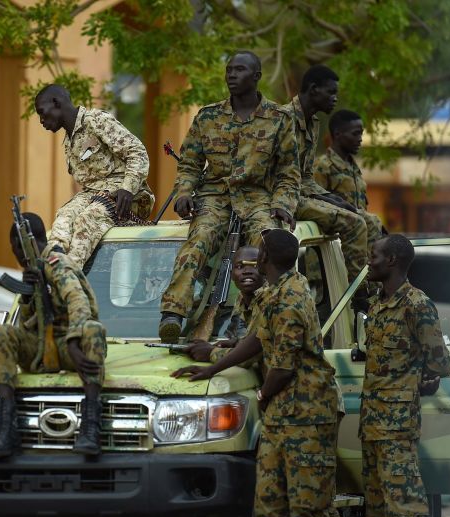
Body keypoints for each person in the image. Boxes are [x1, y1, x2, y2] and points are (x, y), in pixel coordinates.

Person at [173, 229, 338, 517]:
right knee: (270, 504)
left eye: (257, 253)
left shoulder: (292, 296)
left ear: (266, 257)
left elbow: (281, 364)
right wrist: (214, 363)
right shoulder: (275, 294)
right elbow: (255, 341)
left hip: (305, 412)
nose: (251, 261)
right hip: (284, 416)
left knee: (305, 509)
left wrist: (261, 394)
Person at [157, 51, 300, 343]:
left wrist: (283, 204)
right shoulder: (208, 116)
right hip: (214, 196)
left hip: (257, 196)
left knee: (267, 245)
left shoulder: (279, 118)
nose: (232, 75)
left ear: (257, 76)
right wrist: (184, 191)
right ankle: (173, 313)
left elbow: (288, 171)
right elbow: (190, 163)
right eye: (229, 70)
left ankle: (246, 319)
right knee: (198, 241)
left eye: (240, 70)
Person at [361, 234, 450, 517]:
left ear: (394, 260)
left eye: (376, 255)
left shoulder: (416, 304)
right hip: (372, 425)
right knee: (379, 516)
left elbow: (440, 362)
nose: (370, 261)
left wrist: (420, 380)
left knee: (404, 515)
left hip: (397, 428)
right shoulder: (379, 305)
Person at [0, 212, 107, 458]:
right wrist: (29, 295)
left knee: (94, 330)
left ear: (30, 243)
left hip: (68, 350)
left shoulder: (56, 263)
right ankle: (6, 429)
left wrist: (74, 343)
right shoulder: (34, 269)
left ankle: (90, 427)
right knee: (1, 332)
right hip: (41, 347)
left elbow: (79, 302)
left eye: (17, 248)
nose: (17, 255)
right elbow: (27, 325)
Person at [35, 84, 155, 269]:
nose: (41, 120)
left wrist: (128, 188)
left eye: (42, 112)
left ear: (56, 102)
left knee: (87, 219)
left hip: (127, 198)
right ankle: (53, 265)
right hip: (94, 195)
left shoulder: (96, 121)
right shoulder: (69, 141)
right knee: (63, 217)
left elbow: (137, 152)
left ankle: (69, 275)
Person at [283, 66, 368, 287]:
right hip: (283, 198)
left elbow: (306, 178)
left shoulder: (313, 124)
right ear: (313, 89)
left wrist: (332, 199)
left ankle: (372, 289)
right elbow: (277, 176)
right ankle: (359, 294)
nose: (335, 98)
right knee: (355, 223)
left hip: (298, 193)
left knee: (366, 219)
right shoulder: (283, 120)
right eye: (330, 92)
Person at [313, 109, 386, 249]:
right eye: (355, 134)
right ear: (338, 134)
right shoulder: (322, 166)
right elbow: (315, 206)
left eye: (361, 133)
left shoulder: (353, 167)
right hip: (332, 248)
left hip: (359, 244)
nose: (360, 139)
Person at [183, 245, 265, 364]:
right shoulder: (243, 297)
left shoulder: (272, 302)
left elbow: (254, 355)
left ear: (265, 269)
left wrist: (211, 353)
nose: (247, 271)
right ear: (231, 274)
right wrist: (236, 342)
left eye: (255, 266)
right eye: (240, 267)